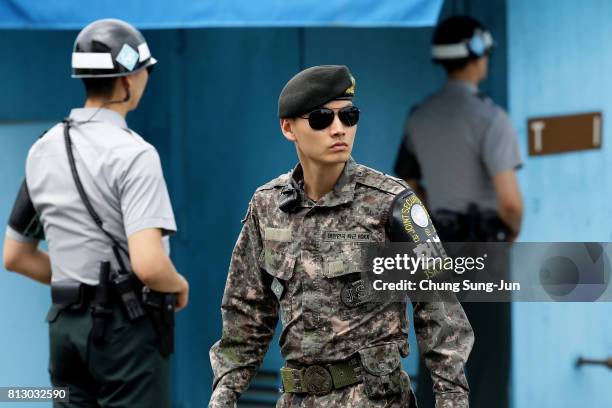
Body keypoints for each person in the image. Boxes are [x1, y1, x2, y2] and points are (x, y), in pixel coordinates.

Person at [209, 65, 474, 408]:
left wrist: (452, 398)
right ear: (288, 127)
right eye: (321, 119)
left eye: (349, 116)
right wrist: (223, 397)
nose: (339, 129)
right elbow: (245, 314)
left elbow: (440, 311)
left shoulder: (392, 203)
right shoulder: (267, 207)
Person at [2, 19, 188, 408]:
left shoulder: (43, 150)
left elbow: (15, 256)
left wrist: (78, 283)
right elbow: (150, 265)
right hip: (127, 331)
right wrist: (178, 285)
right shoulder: (135, 154)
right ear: (128, 81)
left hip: (64, 328)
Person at [394, 16, 523, 408]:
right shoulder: (491, 119)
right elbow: (510, 203)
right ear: (477, 54)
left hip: (437, 254)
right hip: (485, 254)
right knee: (485, 367)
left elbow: (408, 190)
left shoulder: (420, 116)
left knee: (440, 359)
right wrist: (511, 235)